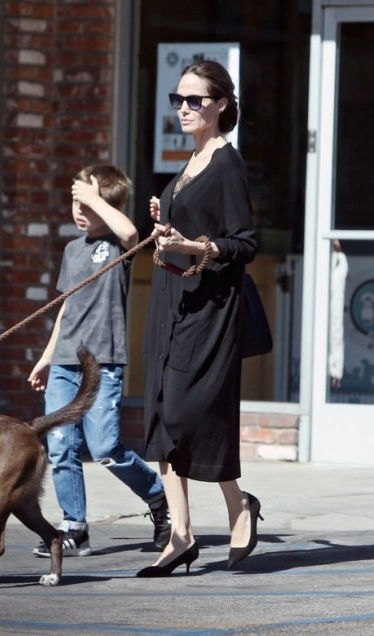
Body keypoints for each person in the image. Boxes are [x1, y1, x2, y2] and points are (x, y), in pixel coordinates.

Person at [137, 60, 262, 577]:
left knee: (190, 414)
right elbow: (188, 229)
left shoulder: (226, 163)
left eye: (195, 100)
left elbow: (244, 242)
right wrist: (165, 224)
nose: (184, 109)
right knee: (162, 416)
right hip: (172, 301)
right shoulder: (189, 161)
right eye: (178, 100)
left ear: (222, 105)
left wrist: (194, 244)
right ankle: (182, 535)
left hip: (210, 309)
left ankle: (239, 505)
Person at [28, 164, 170, 557]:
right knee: (60, 444)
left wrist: (94, 196)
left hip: (103, 362)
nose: (78, 210)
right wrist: (46, 358)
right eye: (75, 202)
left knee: (104, 445)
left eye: (86, 203)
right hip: (64, 363)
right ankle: (75, 527)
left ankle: (159, 500)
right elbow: (66, 308)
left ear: (105, 203)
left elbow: (129, 232)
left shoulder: (118, 244)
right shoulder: (72, 249)